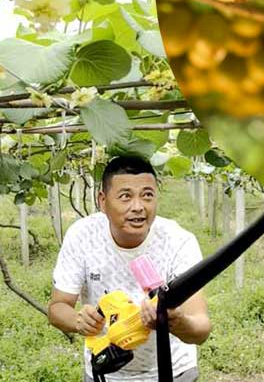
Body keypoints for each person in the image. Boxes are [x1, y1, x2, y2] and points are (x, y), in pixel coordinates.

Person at [48, 156, 211, 382]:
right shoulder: (82, 236)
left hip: (173, 372)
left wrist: (175, 321)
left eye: (147, 195)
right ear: (102, 201)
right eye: (125, 196)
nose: (138, 207)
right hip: (106, 371)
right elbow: (57, 307)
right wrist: (78, 320)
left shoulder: (178, 241)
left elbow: (201, 329)